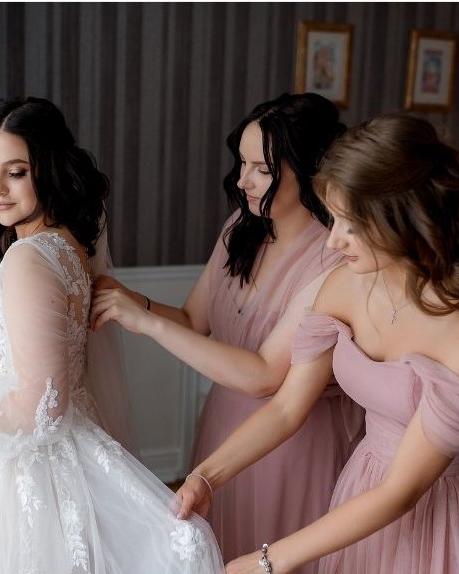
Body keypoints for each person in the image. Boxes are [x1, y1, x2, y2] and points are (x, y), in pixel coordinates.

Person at [174, 113, 459, 573]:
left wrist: (269, 560)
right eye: (335, 219)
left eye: (350, 224)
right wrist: (206, 476)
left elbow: (400, 492)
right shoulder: (344, 285)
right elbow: (287, 408)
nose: (334, 240)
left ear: (405, 218)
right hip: (361, 490)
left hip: (449, 512)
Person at [0, 96, 223, 573]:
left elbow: (42, 409)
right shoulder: (66, 245)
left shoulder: (28, 257)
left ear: (46, 170)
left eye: (16, 172)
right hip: (52, 454)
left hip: (21, 471)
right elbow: (50, 363)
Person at [90, 92, 364, 570]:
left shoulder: (336, 257)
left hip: (293, 441)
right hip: (223, 425)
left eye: (262, 167)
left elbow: (266, 375)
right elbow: (197, 321)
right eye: (242, 163)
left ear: (309, 170)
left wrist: (146, 322)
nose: (243, 180)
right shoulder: (241, 226)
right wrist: (133, 301)